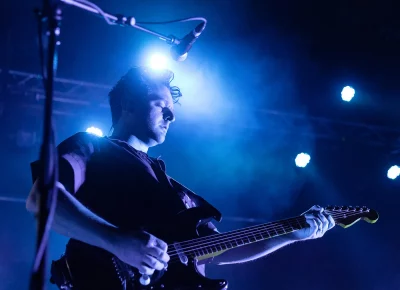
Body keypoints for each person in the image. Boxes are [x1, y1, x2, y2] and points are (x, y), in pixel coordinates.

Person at [26, 66, 335, 289]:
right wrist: (117, 242)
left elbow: (217, 249)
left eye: (173, 110)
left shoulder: (175, 191)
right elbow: (43, 199)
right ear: (129, 104)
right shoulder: (91, 147)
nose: (171, 117)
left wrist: (291, 232)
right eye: (162, 106)